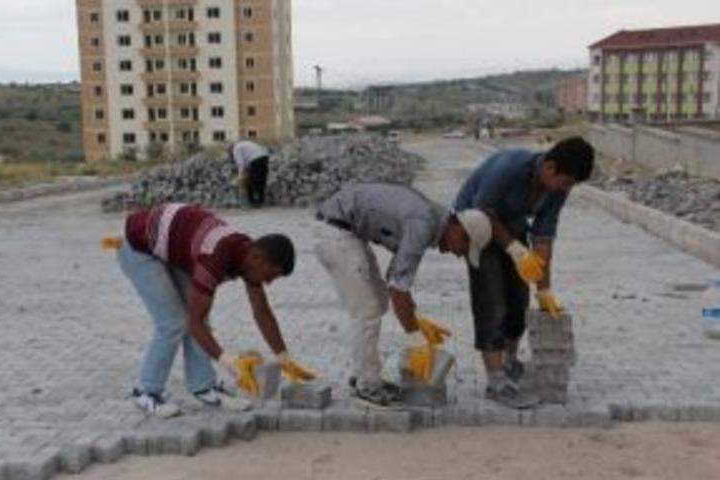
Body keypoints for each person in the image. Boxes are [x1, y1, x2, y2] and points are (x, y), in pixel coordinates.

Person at [114, 202, 316, 418]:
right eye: (271, 276)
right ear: (258, 258)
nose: (269, 283)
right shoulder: (215, 257)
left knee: (200, 320)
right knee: (174, 323)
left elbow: (262, 312)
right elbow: (194, 323)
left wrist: (284, 358)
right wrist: (230, 362)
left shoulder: (249, 258)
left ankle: (203, 386)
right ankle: (146, 393)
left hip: (172, 245)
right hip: (138, 247)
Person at [314, 182, 493, 408]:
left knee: (378, 302)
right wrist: (416, 340)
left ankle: (363, 375)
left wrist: (415, 318)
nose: (459, 255)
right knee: (367, 310)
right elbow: (399, 290)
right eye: (464, 249)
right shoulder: (423, 224)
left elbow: (397, 277)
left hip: (347, 230)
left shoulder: (432, 220)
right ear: (460, 230)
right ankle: (367, 386)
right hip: (334, 231)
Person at [453, 137, 594, 409]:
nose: (566, 189)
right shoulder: (508, 167)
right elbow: (483, 212)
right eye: (565, 182)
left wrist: (544, 289)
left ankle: (509, 361)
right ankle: (496, 382)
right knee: (492, 301)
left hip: (511, 227)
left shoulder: (556, 189)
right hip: (475, 228)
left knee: (518, 299)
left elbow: (543, 238)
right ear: (550, 167)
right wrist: (516, 251)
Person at [229, 140, 270, 207]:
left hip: (256, 160)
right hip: (264, 156)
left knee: (251, 181)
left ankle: (253, 202)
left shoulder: (236, 149)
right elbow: (247, 163)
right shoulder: (244, 144)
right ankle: (261, 200)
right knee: (262, 179)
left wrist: (239, 177)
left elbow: (241, 165)